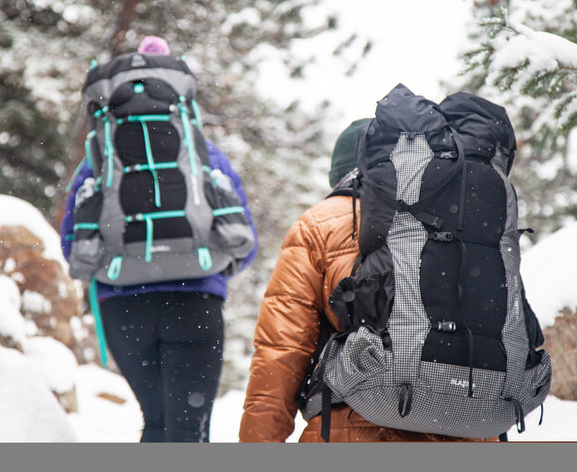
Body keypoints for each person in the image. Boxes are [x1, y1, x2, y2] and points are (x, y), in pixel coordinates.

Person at [238, 118, 499, 443]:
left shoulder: (320, 223)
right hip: (458, 427)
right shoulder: (461, 222)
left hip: (351, 428)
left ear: (343, 173)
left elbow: (281, 353)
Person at [61, 36, 257, 443]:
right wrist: (212, 269)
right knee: (188, 429)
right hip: (195, 298)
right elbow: (244, 240)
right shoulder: (203, 152)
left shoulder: (97, 157)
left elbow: (72, 242)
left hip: (122, 304)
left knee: (157, 421)